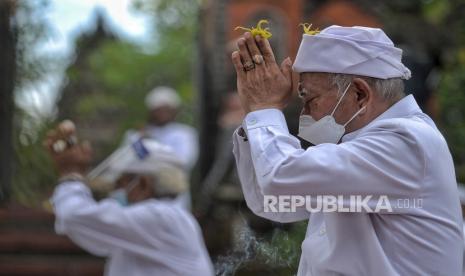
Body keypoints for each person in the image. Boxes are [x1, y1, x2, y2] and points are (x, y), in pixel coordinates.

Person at [230, 25, 463, 275]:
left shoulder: (406, 141)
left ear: (360, 93)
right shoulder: (364, 146)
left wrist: (265, 110)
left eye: (309, 100)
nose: (304, 114)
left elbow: (280, 179)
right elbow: (273, 201)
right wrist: (254, 115)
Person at [45, 121, 214, 276]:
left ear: (143, 184)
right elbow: (92, 235)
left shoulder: (161, 217)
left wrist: (71, 173)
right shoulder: (162, 222)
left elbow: (74, 216)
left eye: (120, 182)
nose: (116, 191)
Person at [124, 86, 198, 172]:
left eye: (167, 110)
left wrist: (152, 150)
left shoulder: (185, 133)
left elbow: (184, 161)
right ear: (151, 111)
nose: (163, 114)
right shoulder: (136, 134)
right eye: (159, 110)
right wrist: (141, 140)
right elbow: (124, 161)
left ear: (174, 111)